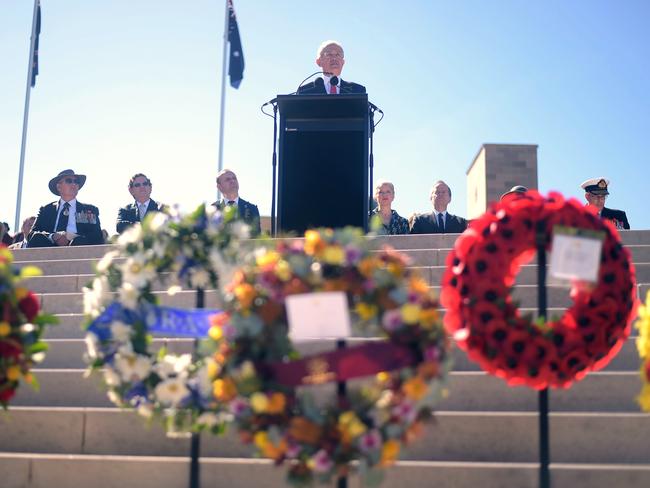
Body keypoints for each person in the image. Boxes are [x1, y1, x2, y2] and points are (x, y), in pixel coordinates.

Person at [27, 169, 104, 247]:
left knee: (79, 241)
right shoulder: (47, 210)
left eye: (76, 181)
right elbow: (31, 235)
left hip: (77, 248)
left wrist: (72, 237)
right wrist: (53, 236)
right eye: (69, 181)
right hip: (50, 248)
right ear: (59, 186)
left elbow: (97, 237)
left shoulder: (89, 210)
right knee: (37, 238)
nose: (74, 184)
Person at [297, 40, 366, 95]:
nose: (334, 58)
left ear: (343, 62)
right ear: (318, 62)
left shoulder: (357, 90)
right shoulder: (305, 91)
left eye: (338, 55)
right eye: (329, 54)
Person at [213, 169, 261, 236]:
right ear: (219, 187)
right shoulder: (213, 210)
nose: (232, 181)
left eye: (234, 178)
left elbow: (257, 236)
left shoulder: (252, 209)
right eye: (227, 179)